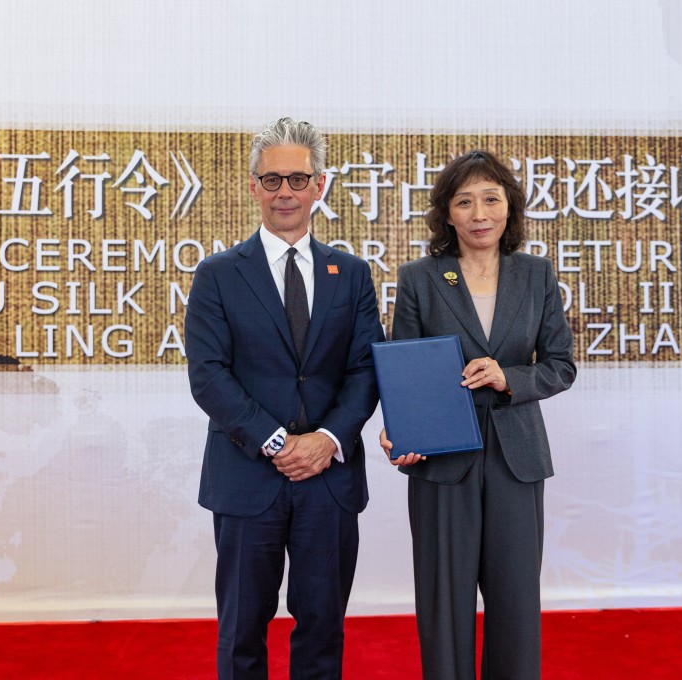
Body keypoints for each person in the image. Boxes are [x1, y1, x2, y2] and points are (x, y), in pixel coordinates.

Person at [186, 117, 385, 680]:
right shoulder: (218, 275)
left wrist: (324, 440)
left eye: (298, 180)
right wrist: (277, 443)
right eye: (272, 180)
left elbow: (365, 370)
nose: (285, 193)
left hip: (329, 479)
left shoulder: (350, 274)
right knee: (242, 630)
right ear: (253, 187)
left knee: (322, 627)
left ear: (319, 185)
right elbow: (209, 376)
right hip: (248, 479)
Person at [380, 150, 576, 679]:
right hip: (442, 455)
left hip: (517, 458)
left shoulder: (535, 274)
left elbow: (561, 366)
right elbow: (407, 366)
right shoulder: (422, 277)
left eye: (491, 198)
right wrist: (400, 427)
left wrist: (509, 377)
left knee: (515, 601)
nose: (479, 212)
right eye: (464, 202)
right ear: (448, 214)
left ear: (510, 207)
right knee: (444, 602)